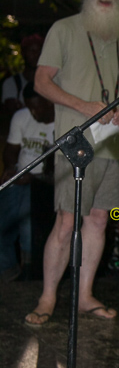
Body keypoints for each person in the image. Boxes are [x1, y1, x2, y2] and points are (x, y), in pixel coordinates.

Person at [25, 0, 119, 326]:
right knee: (66, 221)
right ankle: (47, 297)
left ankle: (85, 295)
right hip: (76, 142)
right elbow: (41, 82)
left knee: (99, 220)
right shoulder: (64, 29)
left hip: (114, 145)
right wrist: (83, 106)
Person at [0, 83, 54, 280]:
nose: (33, 113)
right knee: (3, 223)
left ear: (49, 102)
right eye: (29, 107)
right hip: (20, 178)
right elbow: (11, 150)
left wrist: (32, 177)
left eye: (36, 107)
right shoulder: (21, 116)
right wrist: (11, 168)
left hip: (46, 184)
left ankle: (31, 272)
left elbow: (57, 169)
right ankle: (8, 270)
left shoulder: (63, 122)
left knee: (28, 226)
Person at [2, 33, 44, 118]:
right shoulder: (12, 83)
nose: (36, 55)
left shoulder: (51, 81)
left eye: (39, 51)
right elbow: (11, 112)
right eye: (32, 51)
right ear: (23, 53)